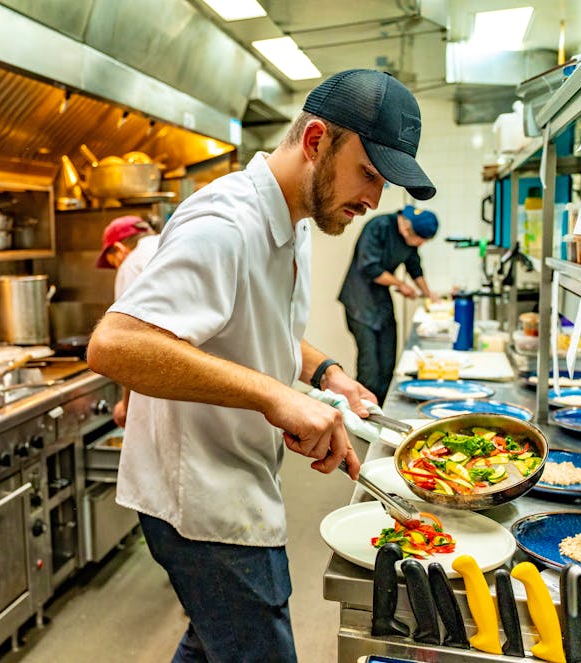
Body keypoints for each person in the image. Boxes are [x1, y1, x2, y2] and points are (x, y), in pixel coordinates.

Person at [87, 69, 435, 662]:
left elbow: (261, 326)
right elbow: (117, 344)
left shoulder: (293, 217)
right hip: (203, 502)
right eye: (369, 175)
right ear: (317, 140)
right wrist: (277, 398)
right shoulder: (226, 223)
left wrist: (328, 376)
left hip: (238, 475)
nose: (373, 201)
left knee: (211, 641)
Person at [339, 204, 438, 403]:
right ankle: (362, 420)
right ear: (406, 228)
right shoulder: (379, 227)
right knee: (370, 371)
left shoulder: (410, 241)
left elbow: (414, 267)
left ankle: (381, 414)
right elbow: (369, 267)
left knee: (387, 364)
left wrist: (429, 295)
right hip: (359, 302)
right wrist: (400, 284)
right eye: (421, 239)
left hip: (381, 302)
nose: (421, 244)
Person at [95, 215, 160, 426]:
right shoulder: (168, 243)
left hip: (158, 378)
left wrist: (126, 404)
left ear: (119, 249)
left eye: (112, 263)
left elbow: (129, 341)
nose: (116, 268)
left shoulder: (132, 264)